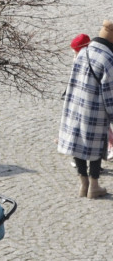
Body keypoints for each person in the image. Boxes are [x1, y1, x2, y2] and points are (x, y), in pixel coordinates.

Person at [59, 20, 113, 199]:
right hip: (94, 108)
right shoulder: (108, 59)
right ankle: (94, 186)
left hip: (75, 105)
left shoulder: (83, 51)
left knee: (78, 145)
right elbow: (110, 93)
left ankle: (83, 185)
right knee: (95, 147)